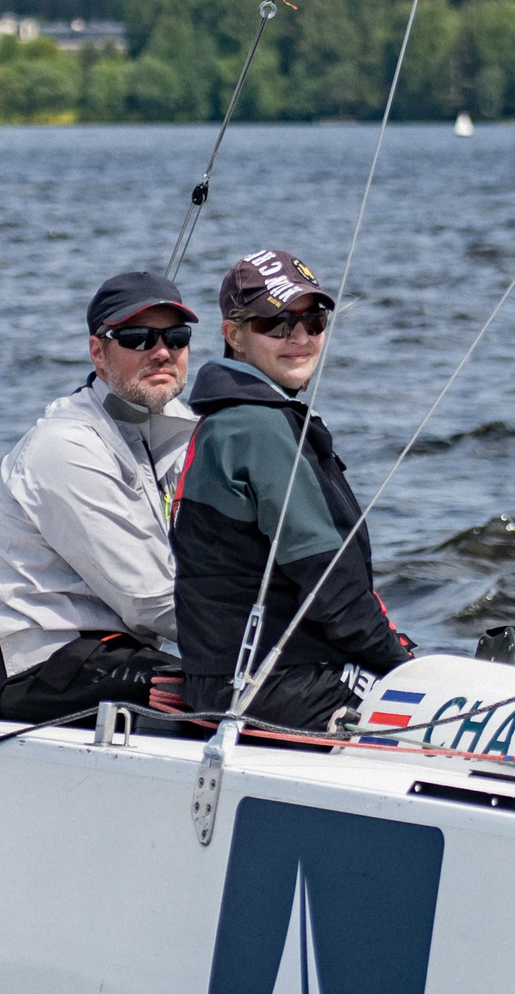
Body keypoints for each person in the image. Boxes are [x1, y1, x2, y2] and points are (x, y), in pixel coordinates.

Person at [173, 248, 416, 731]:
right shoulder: (256, 427)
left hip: (234, 680)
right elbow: (328, 584)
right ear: (234, 335)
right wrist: (404, 665)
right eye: (277, 323)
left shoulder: (229, 418)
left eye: (314, 320)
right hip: (279, 684)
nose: (300, 337)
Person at [0, 272, 197, 721]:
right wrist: (270, 643)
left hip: (118, 648)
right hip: (46, 665)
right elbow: (149, 599)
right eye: (137, 337)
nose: (162, 351)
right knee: (234, 696)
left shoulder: (178, 429)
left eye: (176, 336)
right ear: (97, 352)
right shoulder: (67, 445)